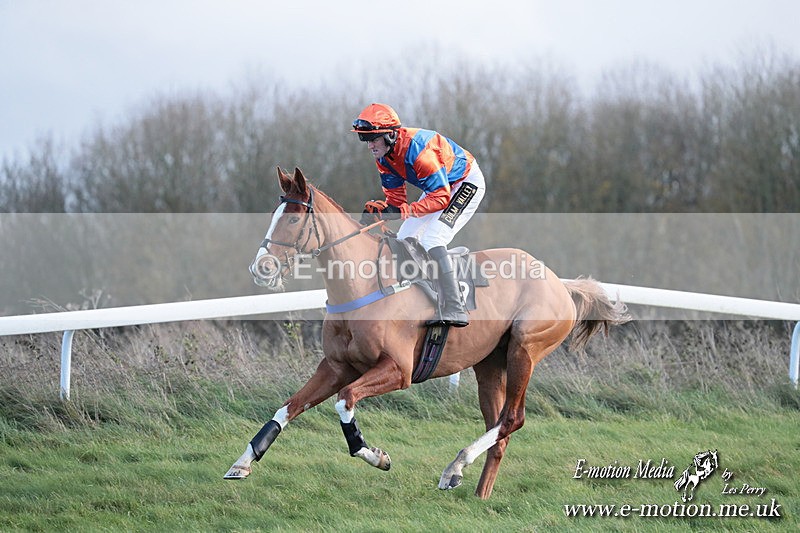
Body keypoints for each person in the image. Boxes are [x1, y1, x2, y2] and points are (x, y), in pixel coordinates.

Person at [352, 103, 486, 327]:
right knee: (405, 238)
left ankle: (455, 307)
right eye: (365, 139)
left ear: (390, 135)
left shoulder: (419, 152)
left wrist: (405, 210)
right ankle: (423, 296)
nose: (370, 145)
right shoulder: (384, 157)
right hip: (439, 187)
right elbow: (396, 201)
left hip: (465, 183)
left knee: (433, 238)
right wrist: (383, 212)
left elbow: (441, 198)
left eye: (373, 139)